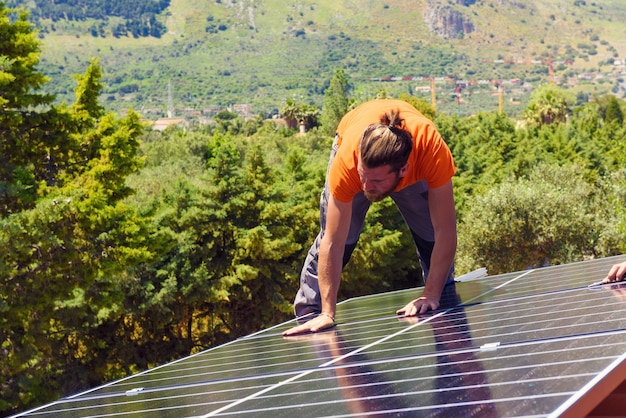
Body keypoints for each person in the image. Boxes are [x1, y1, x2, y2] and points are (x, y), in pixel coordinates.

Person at [283, 98, 457, 336]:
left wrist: (431, 294)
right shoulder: (348, 165)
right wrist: (327, 313)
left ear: (404, 170)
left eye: (375, 181)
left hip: (415, 164)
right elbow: (332, 242)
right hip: (352, 141)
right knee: (340, 238)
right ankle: (312, 312)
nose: (366, 186)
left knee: (431, 236)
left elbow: (445, 231)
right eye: (363, 176)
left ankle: (440, 297)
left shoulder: (431, 150)